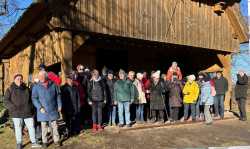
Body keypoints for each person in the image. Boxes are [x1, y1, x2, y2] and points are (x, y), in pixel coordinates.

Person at [4, 74, 41, 149]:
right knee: (18, 128)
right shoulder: (10, 89)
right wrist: (12, 108)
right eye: (18, 79)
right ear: (14, 80)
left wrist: (31, 108)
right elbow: (6, 100)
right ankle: (19, 143)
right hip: (16, 113)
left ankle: (34, 142)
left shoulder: (26, 89)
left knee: (31, 127)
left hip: (27, 112)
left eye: (21, 79)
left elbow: (31, 99)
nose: (19, 80)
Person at [32, 70, 62, 148]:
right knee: (44, 127)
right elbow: (34, 98)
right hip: (43, 110)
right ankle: (45, 142)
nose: (41, 78)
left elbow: (58, 95)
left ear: (46, 76)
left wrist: (59, 105)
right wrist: (39, 107)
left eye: (42, 76)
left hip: (53, 108)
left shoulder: (54, 85)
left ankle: (56, 140)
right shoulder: (36, 86)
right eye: (40, 76)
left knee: (55, 126)